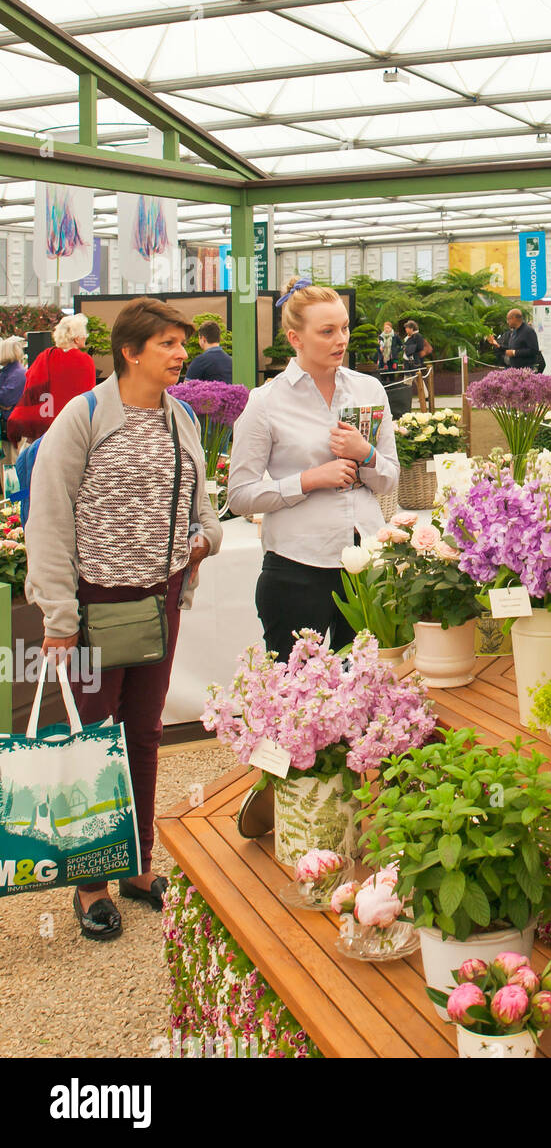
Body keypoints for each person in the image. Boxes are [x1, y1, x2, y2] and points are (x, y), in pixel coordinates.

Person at [24, 297, 222, 940]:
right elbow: (49, 520)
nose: (180, 353)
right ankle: (90, 882)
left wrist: (204, 538)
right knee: (93, 738)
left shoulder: (181, 416)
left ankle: (135, 863)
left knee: (143, 732)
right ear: (130, 352)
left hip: (159, 598)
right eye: (167, 343)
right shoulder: (82, 418)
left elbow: (200, 496)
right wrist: (58, 615)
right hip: (93, 604)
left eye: (181, 342)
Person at [228, 282, 398, 663]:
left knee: (369, 684)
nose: (341, 340)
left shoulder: (368, 389)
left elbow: (390, 478)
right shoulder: (265, 402)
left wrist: (365, 454)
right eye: (327, 331)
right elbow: (239, 496)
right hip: (296, 566)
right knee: (298, 690)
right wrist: (309, 480)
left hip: (365, 562)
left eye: (344, 328)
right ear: (295, 338)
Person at [7, 314, 97, 442]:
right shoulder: (84, 360)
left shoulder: (44, 356)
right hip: (70, 428)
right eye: (84, 334)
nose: (85, 337)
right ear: (76, 338)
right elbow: (88, 396)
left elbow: (30, 387)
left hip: (42, 426)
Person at [0, 335, 27, 444]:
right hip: (8, 425)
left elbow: (5, 399)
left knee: (11, 459)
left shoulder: (16, 373)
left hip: (12, 426)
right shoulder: (10, 371)